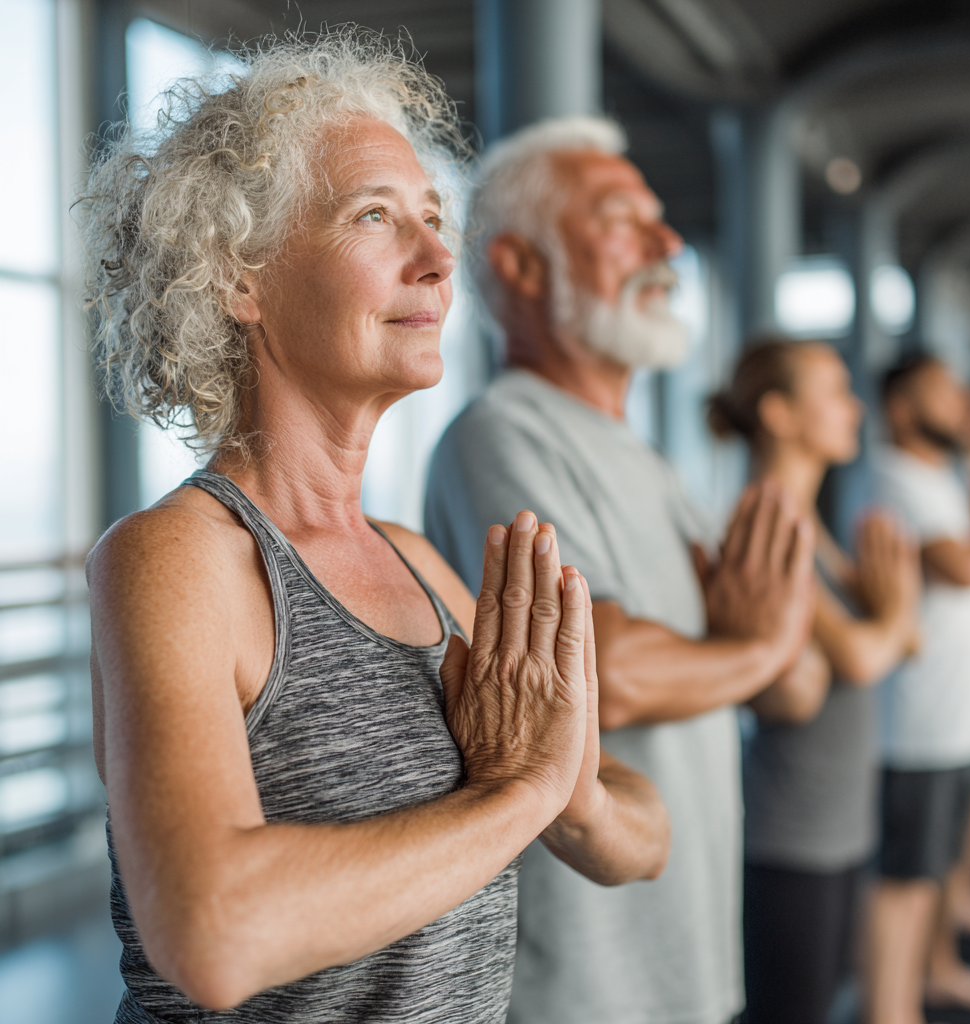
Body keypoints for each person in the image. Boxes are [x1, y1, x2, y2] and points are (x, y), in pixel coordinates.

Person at [79, 35, 671, 1024]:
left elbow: (638, 832)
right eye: (375, 217)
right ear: (240, 277)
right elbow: (215, 932)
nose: (439, 260)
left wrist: (570, 792)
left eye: (434, 218)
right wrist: (518, 797)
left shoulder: (420, 565)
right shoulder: (180, 558)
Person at [425, 117, 817, 1024]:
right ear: (520, 269)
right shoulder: (501, 434)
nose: (667, 241)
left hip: (690, 950)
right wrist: (754, 646)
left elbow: (797, 684)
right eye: (618, 219)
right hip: (583, 981)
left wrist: (756, 652)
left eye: (660, 218)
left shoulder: (646, 459)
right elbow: (609, 673)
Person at [708, 338, 920, 1024]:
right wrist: (895, 611)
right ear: (778, 414)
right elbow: (864, 653)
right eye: (833, 391)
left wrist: (891, 619)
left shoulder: (807, 520)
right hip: (789, 832)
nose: (854, 406)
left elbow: (895, 640)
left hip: (835, 820)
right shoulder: (764, 522)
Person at [869, 354, 970, 1024]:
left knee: (941, 869)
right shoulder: (890, 476)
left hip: (962, 709)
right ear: (901, 408)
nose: (960, 403)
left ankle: (936, 974)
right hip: (919, 719)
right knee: (907, 878)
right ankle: (894, 1006)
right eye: (943, 392)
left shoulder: (942, 477)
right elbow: (967, 566)